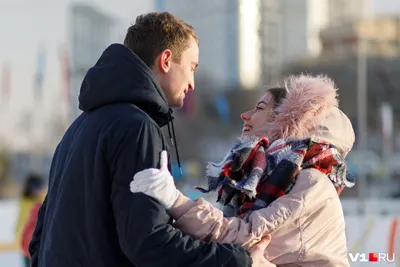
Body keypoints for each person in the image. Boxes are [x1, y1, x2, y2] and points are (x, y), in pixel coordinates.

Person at [28, 12, 273, 267]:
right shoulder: (136, 128)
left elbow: (41, 238)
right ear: (166, 60)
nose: (192, 84)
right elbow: (149, 243)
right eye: (191, 68)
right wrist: (240, 261)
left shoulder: (78, 128)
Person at [130, 74, 355, 266]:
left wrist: (175, 201)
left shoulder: (310, 182)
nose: (244, 115)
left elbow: (243, 237)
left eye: (259, 108)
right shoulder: (259, 184)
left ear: (285, 121)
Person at [15, 173, 45, 267]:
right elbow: (21, 222)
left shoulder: (43, 200)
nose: (39, 190)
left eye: (40, 187)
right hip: (28, 245)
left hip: (39, 243)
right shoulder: (26, 203)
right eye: (37, 187)